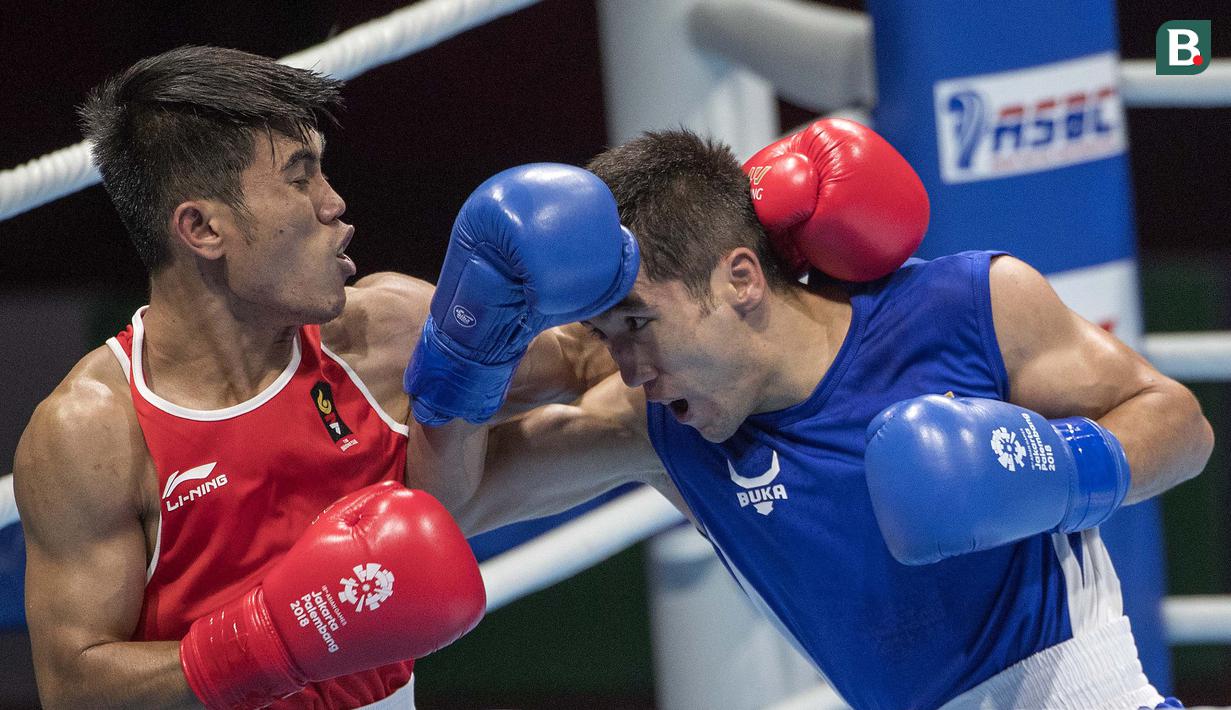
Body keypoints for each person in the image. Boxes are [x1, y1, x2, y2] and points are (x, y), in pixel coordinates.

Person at [404, 121, 1214, 710]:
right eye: (607, 337)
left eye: (641, 324)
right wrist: (462, 365)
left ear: (741, 278)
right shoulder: (659, 424)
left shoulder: (961, 308)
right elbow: (454, 505)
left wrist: (1054, 468)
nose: (629, 369)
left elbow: (1178, 423)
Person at [11, 45, 636, 709]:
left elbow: (599, 362)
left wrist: (474, 380)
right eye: (299, 179)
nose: (334, 204)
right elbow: (74, 688)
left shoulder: (384, 332)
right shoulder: (93, 434)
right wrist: (275, 641)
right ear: (201, 228)